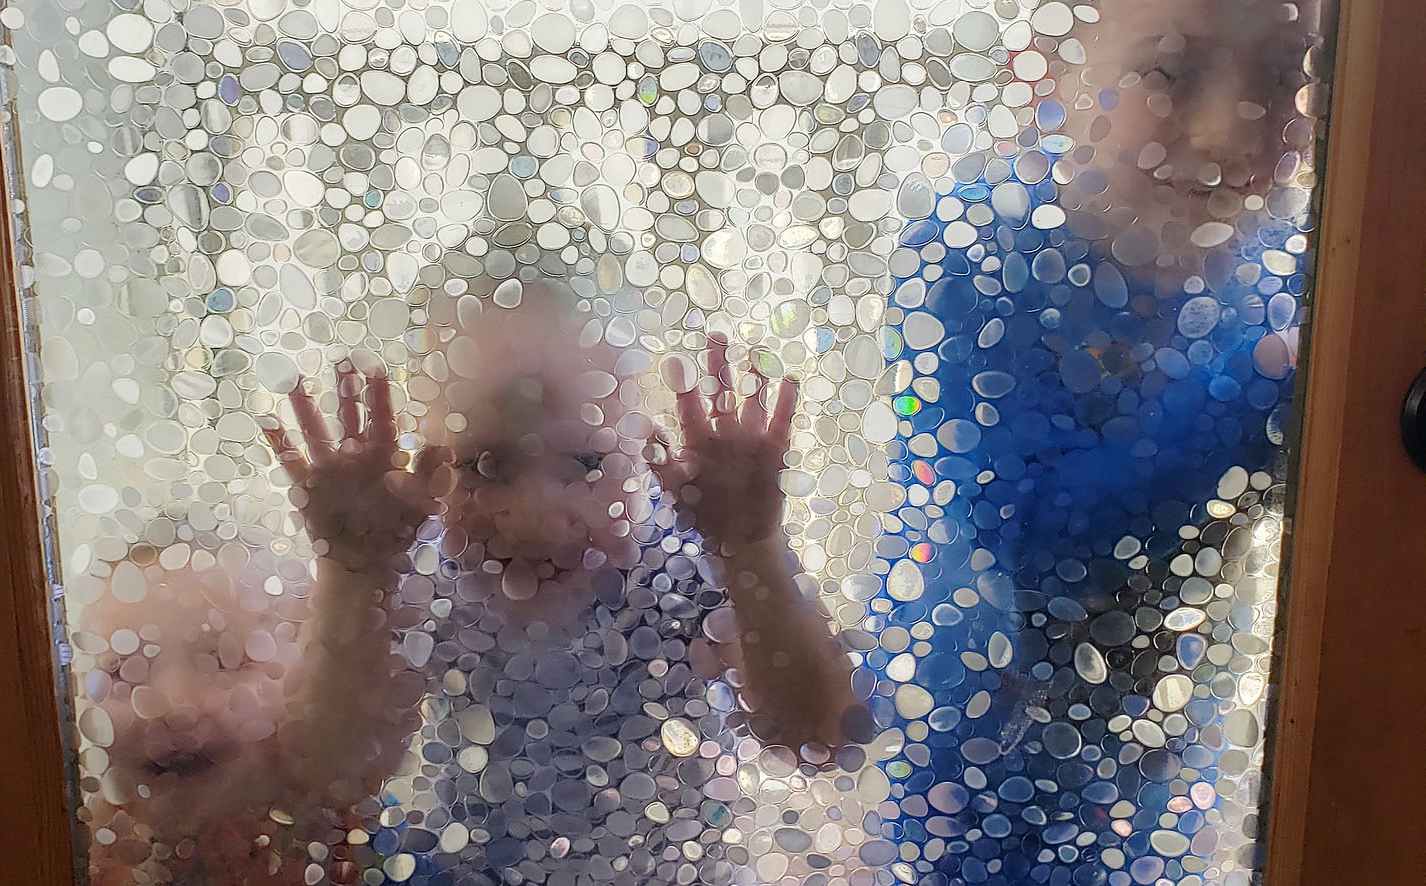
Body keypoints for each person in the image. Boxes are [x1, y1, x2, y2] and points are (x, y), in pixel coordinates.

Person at [80, 274, 865, 885]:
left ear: (642, 445)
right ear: (422, 454)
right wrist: (357, 572)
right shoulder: (425, 572)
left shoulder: (676, 561)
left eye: (588, 464)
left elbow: (815, 736)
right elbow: (337, 769)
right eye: (486, 466)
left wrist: (751, 549)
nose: (536, 516)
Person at [872, 1, 1317, 884]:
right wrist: (1267, 384)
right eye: (1170, 71)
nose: (1232, 129)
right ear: (1047, 68)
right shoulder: (969, 250)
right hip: (976, 763)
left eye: (1283, 76)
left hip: (1166, 749)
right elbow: (1026, 544)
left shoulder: (1289, 264)